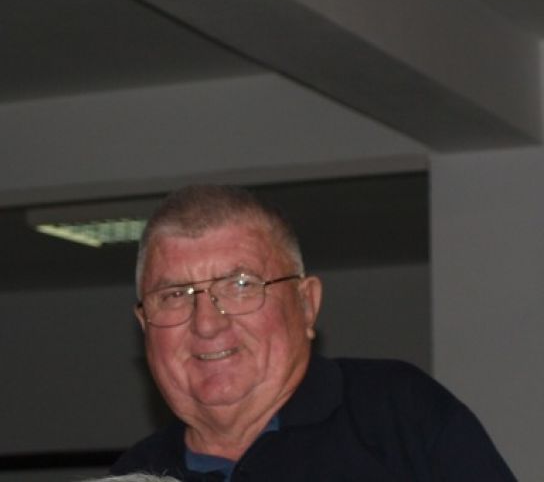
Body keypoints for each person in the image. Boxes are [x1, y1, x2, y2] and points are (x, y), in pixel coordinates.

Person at [111, 184, 515, 481]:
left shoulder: (398, 418)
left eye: (240, 286)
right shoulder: (136, 473)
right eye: (174, 295)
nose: (206, 322)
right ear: (144, 324)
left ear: (306, 304)